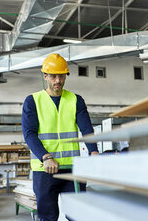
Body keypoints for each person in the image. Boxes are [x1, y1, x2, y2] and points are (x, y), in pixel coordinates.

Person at [22, 53, 99, 221]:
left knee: (77, 214)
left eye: (61, 76)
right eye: (54, 76)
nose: (58, 81)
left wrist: (94, 153)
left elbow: (86, 129)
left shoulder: (75, 100)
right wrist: (46, 157)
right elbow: (29, 134)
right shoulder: (32, 101)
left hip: (72, 169)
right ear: (45, 76)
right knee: (48, 217)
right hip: (44, 170)